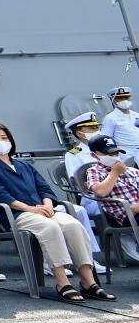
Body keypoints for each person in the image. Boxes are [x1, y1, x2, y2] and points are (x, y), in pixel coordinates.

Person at [0, 123, 113, 303]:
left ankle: (88, 282)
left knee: (73, 225)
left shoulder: (24, 165)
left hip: (42, 210)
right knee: (50, 227)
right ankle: (62, 282)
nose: (1, 142)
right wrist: (30, 208)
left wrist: (47, 204)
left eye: (4, 138)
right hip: (16, 214)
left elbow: (43, 188)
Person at [63, 112, 108, 273]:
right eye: (92, 128)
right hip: (92, 199)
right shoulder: (73, 154)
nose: (96, 130)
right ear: (80, 133)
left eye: (97, 127)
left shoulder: (109, 148)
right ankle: (89, 257)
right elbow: (78, 182)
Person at [84, 135, 139, 263]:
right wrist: (114, 173)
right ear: (94, 155)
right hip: (126, 216)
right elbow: (100, 192)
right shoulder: (95, 171)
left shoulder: (132, 171)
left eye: (115, 152)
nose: (114, 156)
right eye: (108, 153)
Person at [101, 87, 139, 163]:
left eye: (126, 97)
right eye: (120, 98)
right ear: (113, 99)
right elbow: (106, 139)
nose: (124, 101)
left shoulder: (136, 115)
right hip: (125, 153)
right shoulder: (110, 118)